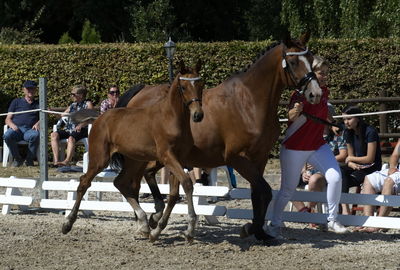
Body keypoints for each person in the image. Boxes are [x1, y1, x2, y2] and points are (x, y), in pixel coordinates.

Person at [267, 55, 347, 239]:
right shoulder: (299, 93)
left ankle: (332, 219)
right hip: (295, 147)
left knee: (335, 177)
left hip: (317, 145)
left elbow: (324, 114)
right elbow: (291, 117)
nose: (325, 76)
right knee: (287, 190)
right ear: (312, 73)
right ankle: (274, 224)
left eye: (327, 73)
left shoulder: (324, 92)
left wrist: (333, 123)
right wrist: (296, 110)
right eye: (322, 73)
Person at [292, 105, 348, 213]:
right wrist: (304, 171)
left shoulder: (338, 135)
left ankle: (311, 210)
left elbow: (343, 155)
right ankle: (304, 211)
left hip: (326, 170)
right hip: (309, 170)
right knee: (285, 180)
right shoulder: (310, 135)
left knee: (314, 180)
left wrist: (320, 162)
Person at [340, 105, 382, 215]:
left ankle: (344, 211)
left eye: (349, 119)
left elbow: (370, 158)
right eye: (344, 119)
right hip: (356, 167)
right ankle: (345, 208)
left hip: (371, 167)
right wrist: (351, 163)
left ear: (358, 118)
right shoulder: (348, 132)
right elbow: (350, 156)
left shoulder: (370, 131)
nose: (346, 122)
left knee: (342, 180)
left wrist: (350, 160)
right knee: (338, 172)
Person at [354, 138, 400, 232]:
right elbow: (395, 155)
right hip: (397, 171)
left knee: (389, 181)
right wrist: (392, 168)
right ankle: (368, 221)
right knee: (369, 179)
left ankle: (379, 223)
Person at [50, 85, 94, 167]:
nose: (71, 96)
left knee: (71, 138)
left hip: (81, 130)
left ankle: (66, 161)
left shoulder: (88, 104)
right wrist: (53, 113)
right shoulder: (73, 105)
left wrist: (81, 124)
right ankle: (56, 161)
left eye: (73, 94)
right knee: (54, 135)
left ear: (80, 95)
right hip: (69, 129)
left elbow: (91, 118)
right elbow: (62, 116)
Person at [3, 80, 40, 167]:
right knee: (7, 136)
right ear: (24, 90)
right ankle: (18, 159)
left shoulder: (39, 103)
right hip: (17, 129)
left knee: (35, 135)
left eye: (32, 89)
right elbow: (8, 119)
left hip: (30, 130)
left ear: (36, 90)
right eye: (28, 89)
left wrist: (39, 123)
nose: (30, 91)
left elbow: (45, 116)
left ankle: (29, 160)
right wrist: (12, 125)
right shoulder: (16, 101)